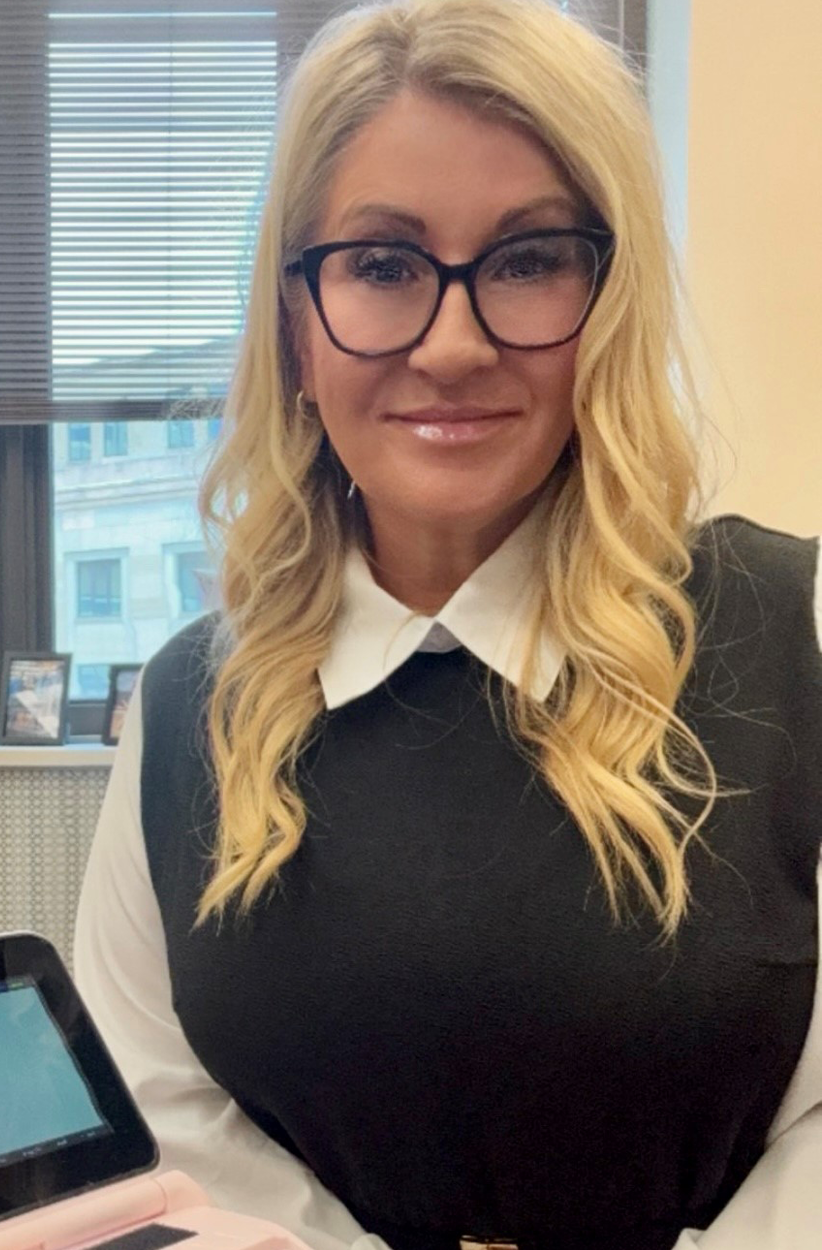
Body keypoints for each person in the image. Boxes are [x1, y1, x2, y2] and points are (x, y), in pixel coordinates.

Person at [73, 3, 821, 1250]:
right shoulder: (184, 704)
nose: (455, 343)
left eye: (529, 260)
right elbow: (166, 1111)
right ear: (294, 329)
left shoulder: (791, 630)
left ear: (610, 305)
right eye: (380, 265)